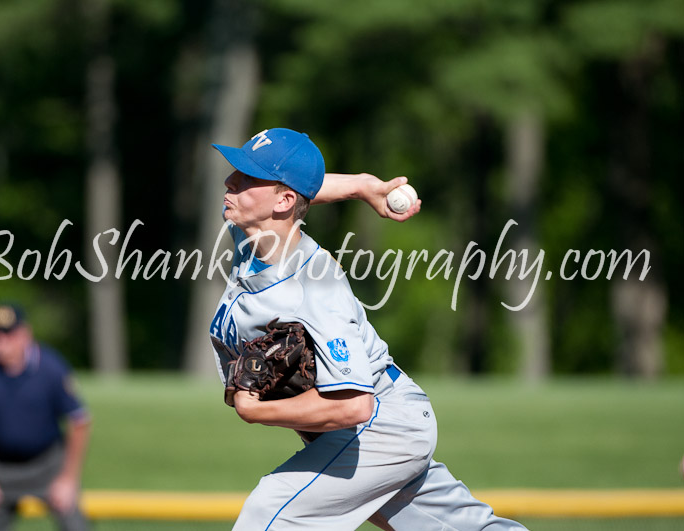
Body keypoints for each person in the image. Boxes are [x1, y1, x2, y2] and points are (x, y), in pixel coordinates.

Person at [209, 128, 527, 530]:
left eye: (248, 177)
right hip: (371, 430)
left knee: (269, 517)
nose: (230, 182)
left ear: (283, 201)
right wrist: (361, 186)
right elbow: (302, 189)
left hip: (380, 424)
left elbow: (354, 405)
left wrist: (255, 411)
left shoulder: (315, 288)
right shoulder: (253, 236)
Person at [0, 303, 91, 531]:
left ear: (24, 334)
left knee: (76, 525)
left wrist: (68, 479)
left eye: (7, 335)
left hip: (49, 465)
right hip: (2, 467)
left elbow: (79, 420)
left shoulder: (51, 368)